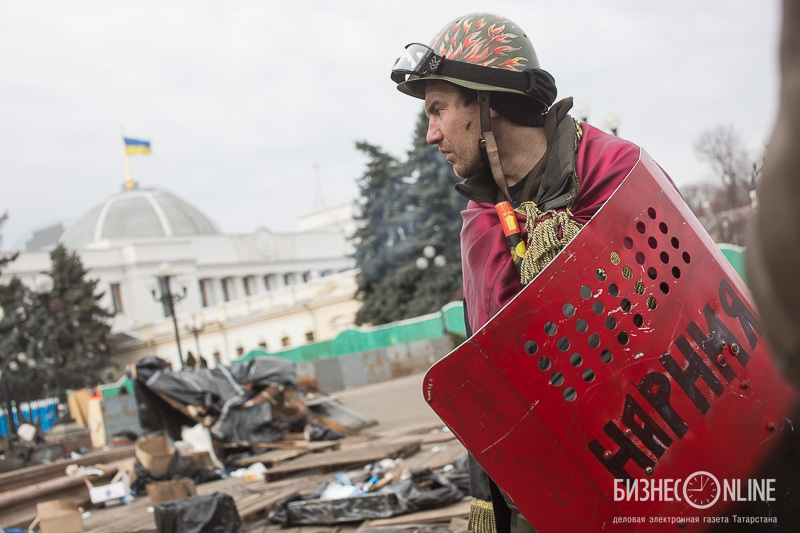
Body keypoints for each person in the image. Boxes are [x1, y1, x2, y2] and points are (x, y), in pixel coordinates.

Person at [391, 13, 645, 532]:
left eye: (437, 109)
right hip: (545, 479)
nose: (430, 134)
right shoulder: (481, 221)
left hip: (650, 450)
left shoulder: (613, 171)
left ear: (485, 99)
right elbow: (497, 375)